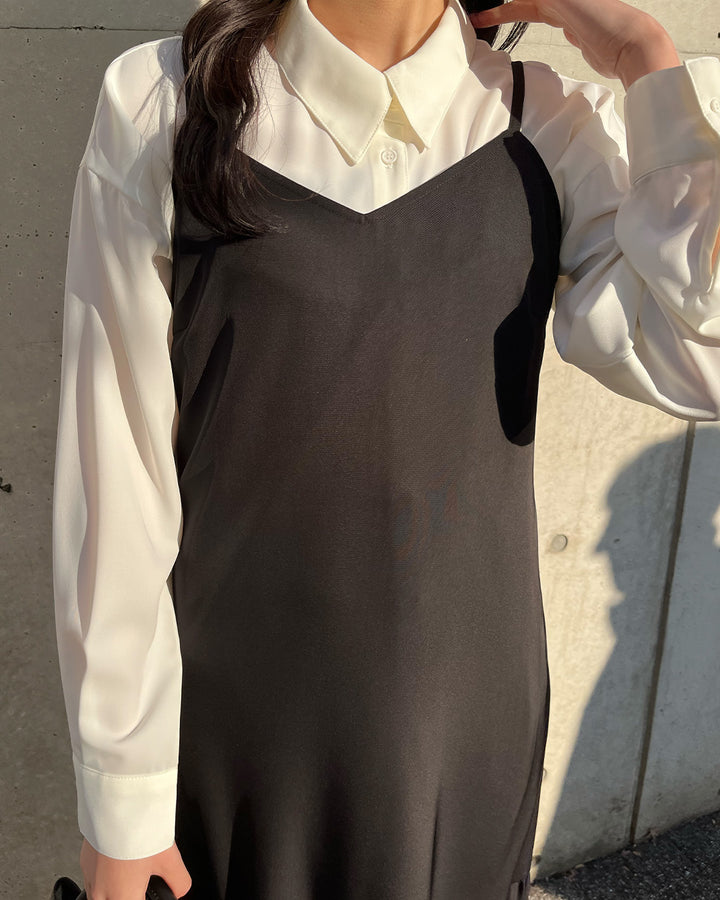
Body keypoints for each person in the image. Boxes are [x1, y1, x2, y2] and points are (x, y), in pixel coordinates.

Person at [51, 0, 720, 897]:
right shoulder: (165, 100)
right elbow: (116, 471)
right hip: (241, 727)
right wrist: (122, 800)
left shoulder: (545, 121)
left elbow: (699, 360)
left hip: (470, 729)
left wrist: (644, 56)